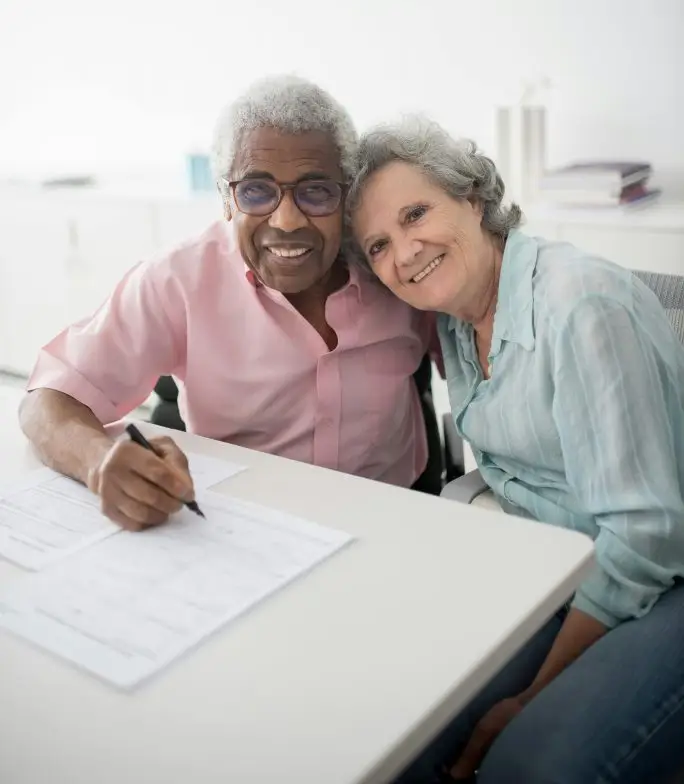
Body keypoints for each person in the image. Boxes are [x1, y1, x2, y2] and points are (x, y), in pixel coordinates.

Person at [349, 118, 684, 784]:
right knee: (400, 731)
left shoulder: (579, 306)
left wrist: (530, 696)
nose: (405, 253)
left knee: (531, 767)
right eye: (380, 244)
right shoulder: (456, 314)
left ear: (473, 197)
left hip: (661, 573)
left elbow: (645, 535)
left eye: (417, 214)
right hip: (556, 566)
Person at [19, 76, 433, 533]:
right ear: (225, 200)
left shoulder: (398, 265)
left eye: (316, 191)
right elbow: (48, 400)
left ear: (347, 196)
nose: (287, 220)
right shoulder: (177, 280)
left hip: (395, 523)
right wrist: (99, 462)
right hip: (239, 533)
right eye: (256, 191)